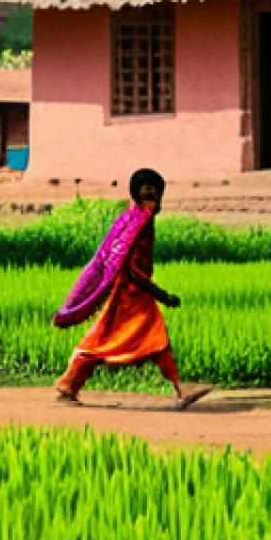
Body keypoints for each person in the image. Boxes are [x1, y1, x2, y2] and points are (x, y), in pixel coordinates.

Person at [53, 168, 211, 409]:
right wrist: (162, 295)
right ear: (137, 194)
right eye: (147, 193)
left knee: (116, 338)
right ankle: (181, 388)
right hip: (132, 293)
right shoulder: (140, 222)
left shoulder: (129, 219)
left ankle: (69, 384)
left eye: (154, 193)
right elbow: (131, 267)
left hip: (130, 291)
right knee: (144, 339)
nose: (151, 199)